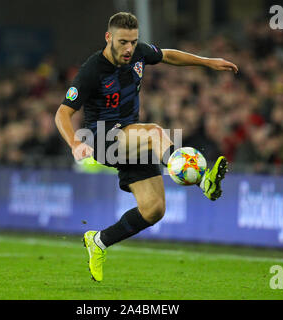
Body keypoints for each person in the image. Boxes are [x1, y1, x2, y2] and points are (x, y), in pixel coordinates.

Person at [55, 12, 238, 282]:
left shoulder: (139, 52)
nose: (129, 48)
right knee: (154, 132)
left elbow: (168, 55)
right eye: (122, 42)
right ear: (109, 38)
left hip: (131, 140)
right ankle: (202, 181)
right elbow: (62, 113)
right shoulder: (92, 70)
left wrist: (207, 62)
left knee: (154, 209)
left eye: (133, 41)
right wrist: (74, 143)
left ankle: (99, 241)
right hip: (102, 139)